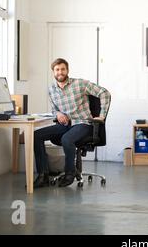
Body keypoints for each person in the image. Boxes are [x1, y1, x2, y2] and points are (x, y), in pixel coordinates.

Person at [33, 58, 111, 188]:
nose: (60, 72)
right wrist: (58, 114)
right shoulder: (51, 89)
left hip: (83, 123)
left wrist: (102, 115)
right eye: (57, 70)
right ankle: (43, 176)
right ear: (53, 72)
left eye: (63, 69)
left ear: (67, 70)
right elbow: (54, 109)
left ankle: (70, 173)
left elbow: (104, 93)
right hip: (65, 124)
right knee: (36, 135)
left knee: (66, 139)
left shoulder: (80, 84)